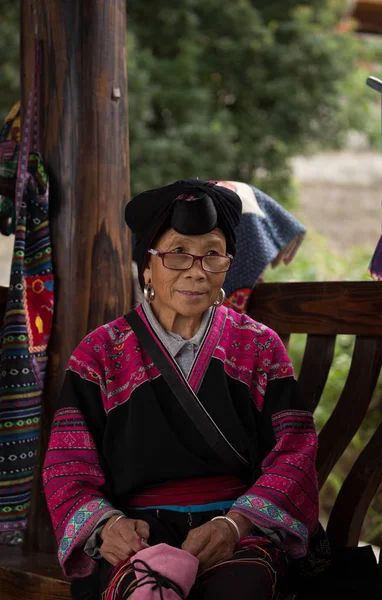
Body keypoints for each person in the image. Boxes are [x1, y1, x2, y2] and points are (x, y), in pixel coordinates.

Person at [43, 180, 319, 600]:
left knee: (244, 588)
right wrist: (106, 525)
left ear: (228, 264)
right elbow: (67, 467)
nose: (195, 269)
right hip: (136, 535)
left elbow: (294, 456)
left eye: (212, 254)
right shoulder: (100, 353)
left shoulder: (260, 346)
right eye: (176, 254)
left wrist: (235, 525)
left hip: (235, 530)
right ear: (147, 268)